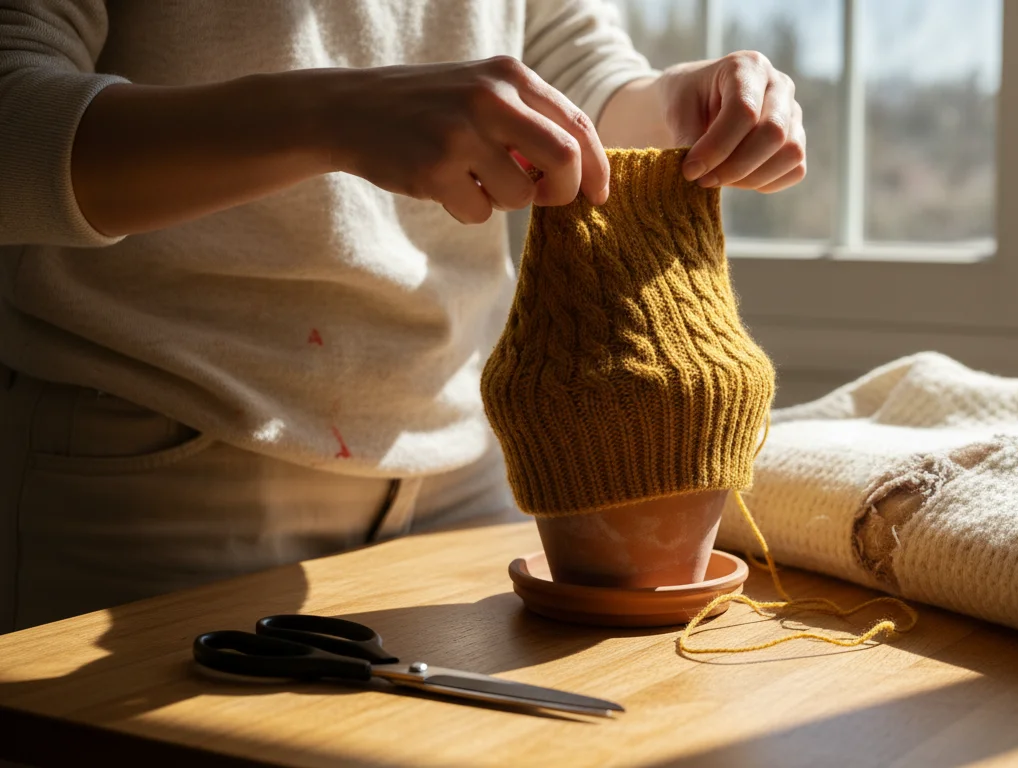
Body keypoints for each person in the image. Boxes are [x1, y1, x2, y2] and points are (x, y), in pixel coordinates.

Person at [0, 0, 806, 632]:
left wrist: (679, 107)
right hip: (160, 476)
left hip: (468, 474)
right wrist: (330, 114)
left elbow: (574, 73)